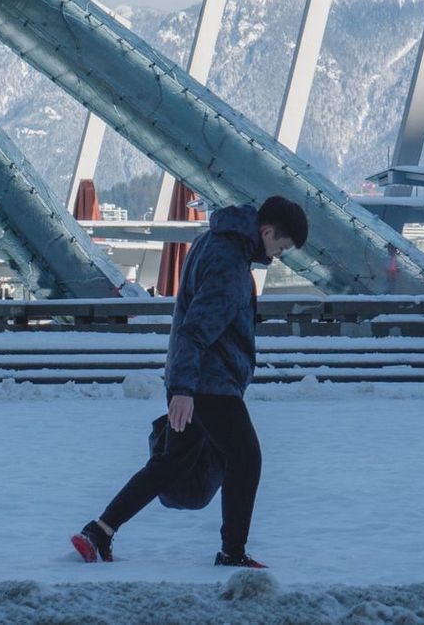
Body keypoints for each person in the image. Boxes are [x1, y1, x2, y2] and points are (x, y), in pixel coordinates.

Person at [71, 196, 308, 568]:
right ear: (266, 231)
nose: (279, 255)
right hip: (211, 382)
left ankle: (100, 530)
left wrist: (181, 384)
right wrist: (183, 390)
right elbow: (196, 328)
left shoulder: (212, 240)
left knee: (170, 464)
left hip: (196, 377)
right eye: (281, 246)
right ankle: (232, 553)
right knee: (246, 459)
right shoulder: (230, 262)